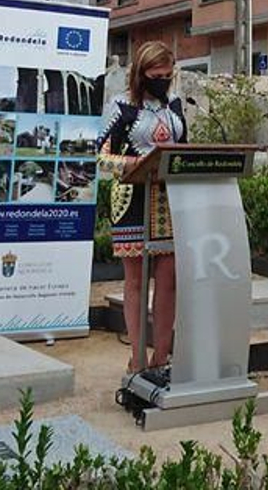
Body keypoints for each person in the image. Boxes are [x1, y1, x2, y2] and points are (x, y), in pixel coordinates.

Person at [96, 41, 186, 374]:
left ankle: (161, 357)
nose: (163, 80)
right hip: (132, 199)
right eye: (156, 74)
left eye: (168, 74)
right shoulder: (120, 106)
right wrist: (136, 162)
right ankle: (137, 357)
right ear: (141, 73)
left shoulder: (174, 105)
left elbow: (183, 148)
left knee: (168, 279)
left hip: (170, 201)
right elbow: (100, 155)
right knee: (135, 280)